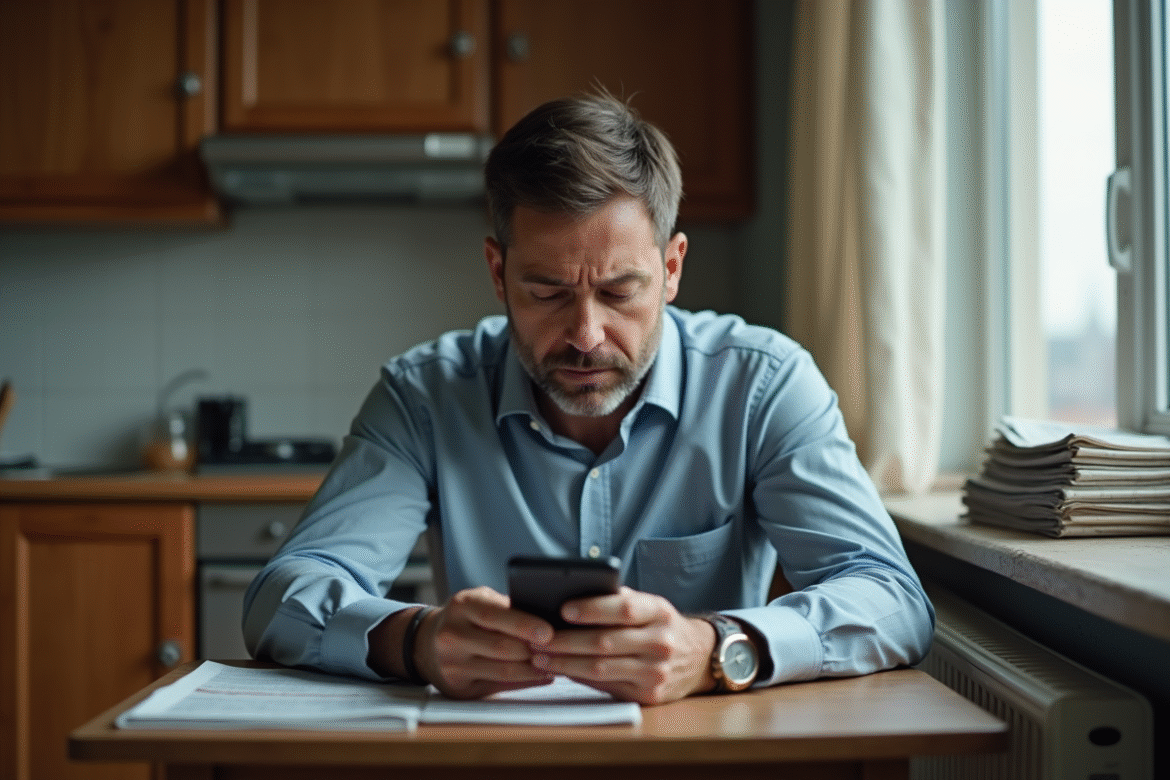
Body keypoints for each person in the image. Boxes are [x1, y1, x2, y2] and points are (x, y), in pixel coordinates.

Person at [242, 91, 934, 706]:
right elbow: (282, 596)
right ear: (497, 271)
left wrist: (716, 647)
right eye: (547, 292)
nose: (584, 334)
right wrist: (415, 640)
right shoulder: (425, 394)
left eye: (618, 291)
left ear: (670, 269)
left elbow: (890, 598)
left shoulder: (764, 385)